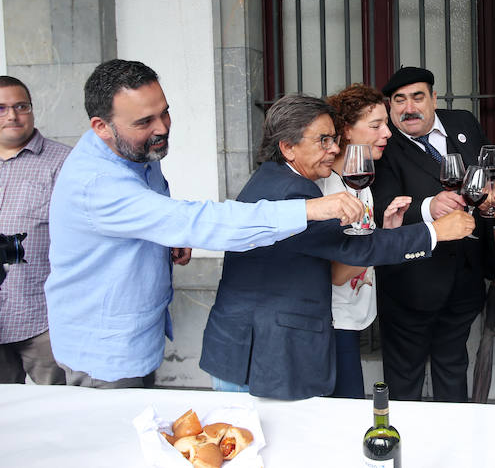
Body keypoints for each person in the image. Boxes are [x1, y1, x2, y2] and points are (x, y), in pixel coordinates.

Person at [46, 60, 365, 388]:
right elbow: (200, 221)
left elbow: (151, 215)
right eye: (145, 121)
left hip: (140, 338)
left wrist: (165, 238)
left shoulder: (133, 150)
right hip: (104, 354)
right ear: (101, 126)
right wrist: (309, 209)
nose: (162, 128)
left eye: (164, 113)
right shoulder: (96, 184)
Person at [199, 94, 473, 400]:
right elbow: (352, 251)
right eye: (324, 140)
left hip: (252, 346)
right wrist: (433, 232)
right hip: (259, 351)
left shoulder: (276, 178)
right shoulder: (294, 193)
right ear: (288, 147)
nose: (334, 147)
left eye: (333, 138)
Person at [372, 66, 490, 402]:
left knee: (454, 369)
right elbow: (380, 208)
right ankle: (404, 447)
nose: (409, 107)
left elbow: (482, 177)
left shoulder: (463, 123)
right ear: (389, 106)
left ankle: (453, 447)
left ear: (434, 99)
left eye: (417, 97)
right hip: (409, 284)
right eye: (399, 100)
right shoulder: (384, 144)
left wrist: (489, 198)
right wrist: (427, 207)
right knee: (404, 379)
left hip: (464, 279)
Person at [317, 84, 414, 398]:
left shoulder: (360, 179)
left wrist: (383, 231)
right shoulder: (328, 187)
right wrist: (382, 242)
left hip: (354, 312)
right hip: (331, 320)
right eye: (376, 126)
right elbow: (336, 271)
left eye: (385, 124)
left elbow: (363, 243)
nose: (387, 133)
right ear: (346, 130)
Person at [0, 77, 70, 385]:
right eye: (1, 108)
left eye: (20, 106)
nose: (12, 116)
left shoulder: (64, 162)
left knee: (58, 410)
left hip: (44, 318)